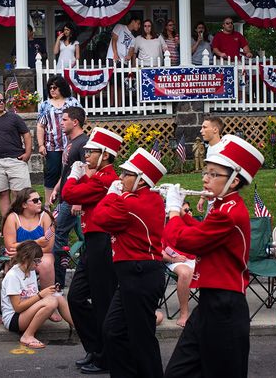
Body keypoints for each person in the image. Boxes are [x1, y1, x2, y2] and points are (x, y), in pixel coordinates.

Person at [163, 135, 264, 378]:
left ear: (233, 180)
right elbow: (201, 232)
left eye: (213, 174)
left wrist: (174, 211)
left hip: (225, 305)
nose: (205, 179)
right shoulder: (221, 206)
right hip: (211, 302)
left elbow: (190, 241)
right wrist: (182, 214)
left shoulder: (228, 212)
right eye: (205, 173)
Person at [87, 148, 167, 377]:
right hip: (134, 274)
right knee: (113, 331)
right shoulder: (148, 198)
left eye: (126, 174)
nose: (120, 179)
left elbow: (99, 218)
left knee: (141, 338)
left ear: (141, 180)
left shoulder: (129, 203)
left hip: (139, 273)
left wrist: (111, 195)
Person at [62, 126, 122, 373]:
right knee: (76, 297)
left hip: (103, 244)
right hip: (92, 243)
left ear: (105, 155)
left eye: (91, 152)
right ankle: (96, 347)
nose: (86, 156)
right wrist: (81, 176)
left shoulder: (106, 179)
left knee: (103, 301)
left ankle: (106, 356)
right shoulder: (98, 177)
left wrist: (73, 176)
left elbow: (68, 194)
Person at [1, 240, 74, 349]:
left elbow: (32, 298)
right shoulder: (13, 276)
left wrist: (48, 293)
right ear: (26, 259)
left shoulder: (30, 272)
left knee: (57, 296)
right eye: (37, 261)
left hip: (25, 313)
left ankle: (80, 327)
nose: (38, 264)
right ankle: (27, 336)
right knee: (51, 302)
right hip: (13, 319)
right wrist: (41, 295)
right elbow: (17, 308)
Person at [49, 106, 88, 289]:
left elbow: (86, 174)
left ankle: (58, 283)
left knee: (59, 238)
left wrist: (79, 200)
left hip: (73, 201)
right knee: (64, 236)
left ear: (75, 122)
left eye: (64, 120)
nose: (61, 123)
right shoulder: (71, 142)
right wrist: (57, 187)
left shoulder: (83, 143)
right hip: (64, 196)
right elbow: (68, 171)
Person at [37, 76, 80, 202]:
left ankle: (69, 200)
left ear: (62, 88)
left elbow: (83, 119)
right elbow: (40, 126)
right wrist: (41, 145)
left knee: (71, 171)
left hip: (71, 144)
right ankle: (48, 204)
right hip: (52, 146)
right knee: (52, 173)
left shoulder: (72, 102)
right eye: (50, 87)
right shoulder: (45, 105)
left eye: (55, 87)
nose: (52, 90)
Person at [3, 188, 55, 289]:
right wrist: (37, 242)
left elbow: (48, 247)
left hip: (41, 254)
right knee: (14, 264)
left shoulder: (45, 217)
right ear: (24, 205)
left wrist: (23, 250)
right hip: (19, 256)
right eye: (35, 200)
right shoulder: (13, 218)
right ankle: (17, 300)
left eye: (40, 199)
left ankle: (48, 298)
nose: (39, 202)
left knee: (46, 263)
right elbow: (10, 247)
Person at [161, 201, 196, 328]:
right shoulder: (163, 226)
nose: (189, 213)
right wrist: (172, 259)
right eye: (185, 211)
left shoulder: (192, 226)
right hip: (174, 260)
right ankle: (184, 313)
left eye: (189, 210)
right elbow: (158, 250)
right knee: (185, 273)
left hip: (194, 259)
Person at [196, 115, 224, 213]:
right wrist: (203, 197)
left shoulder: (221, 150)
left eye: (204, 127)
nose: (201, 131)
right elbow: (209, 175)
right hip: (212, 198)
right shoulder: (211, 148)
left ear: (215, 129)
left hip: (219, 201)